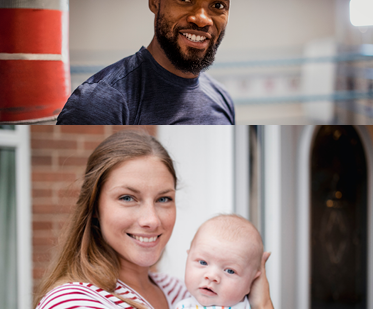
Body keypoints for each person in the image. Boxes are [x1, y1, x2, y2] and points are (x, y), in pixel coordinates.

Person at [35, 130, 273, 309]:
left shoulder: (184, 292)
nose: (151, 220)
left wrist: (260, 303)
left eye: (163, 199)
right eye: (128, 198)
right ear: (95, 206)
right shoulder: (73, 301)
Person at [57, 0, 235, 125]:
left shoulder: (222, 98)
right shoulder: (99, 102)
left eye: (218, 5)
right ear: (155, 1)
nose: (201, 19)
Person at [175, 215, 264, 309]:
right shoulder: (184, 305)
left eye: (230, 271)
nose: (212, 276)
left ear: (252, 280)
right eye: (202, 262)